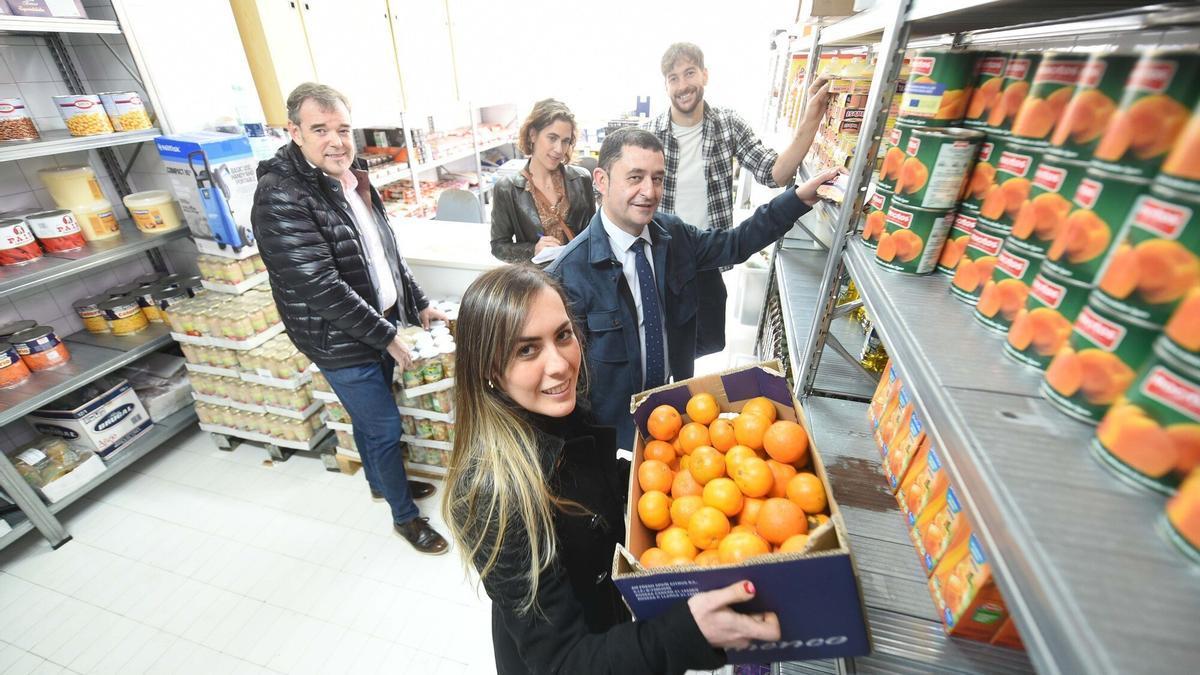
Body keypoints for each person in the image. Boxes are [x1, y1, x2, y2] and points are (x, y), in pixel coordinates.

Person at [443, 264, 781, 674]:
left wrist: (676, 472)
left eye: (563, 335)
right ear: (489, 370)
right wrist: (687, 634)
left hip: (609, 623)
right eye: (526, 349)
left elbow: (587, 490)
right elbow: (562, 662)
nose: (560, 365)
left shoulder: (557, 412)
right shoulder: (492, 494)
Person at [547, 127, 837, 450]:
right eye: (635, 177)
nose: (649, 191)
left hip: (672, 415)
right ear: (601, 181)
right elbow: (564, 378)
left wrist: (797, 200)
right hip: (612, 435)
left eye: (657, 179)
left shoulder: (674, 235)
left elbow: (735, 244)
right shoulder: (569, 274)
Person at [251, 82, 448, 555]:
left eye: (343, 129)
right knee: (383, 425)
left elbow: (385, 254)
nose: (337, 141)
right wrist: (387, 336)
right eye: (321, 130)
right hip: (337, 337)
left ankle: (383, 481)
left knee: (369, 420)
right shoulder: (280, 196)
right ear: (294, 132)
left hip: (374, 324)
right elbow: (320, 286)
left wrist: (417, 302)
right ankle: (405, 517)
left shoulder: (351, 178)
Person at [644, 42, 831, 356]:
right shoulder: (650, 135)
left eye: (689, 73)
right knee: (660, 342)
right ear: (666, 85)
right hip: (661, 257)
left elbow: (775, 173)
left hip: (707, 253)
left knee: (708, 340)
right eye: (673, 78)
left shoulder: (727, 125)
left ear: (705, 74)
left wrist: (811, 118)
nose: (682, 85)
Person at [490, 98, 595, 263]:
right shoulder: (507, 189)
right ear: (533, 135)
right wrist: (533, 249)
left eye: (565, 141)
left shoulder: (581, 179)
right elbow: (498, 247)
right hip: (538, 281)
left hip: (578, 278)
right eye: (552, 138)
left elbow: (594, 234)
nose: (559, 149)